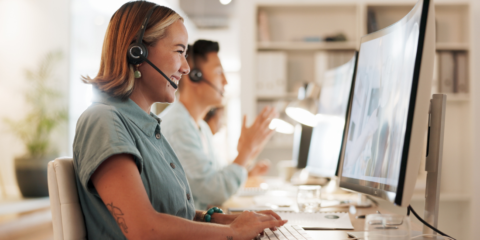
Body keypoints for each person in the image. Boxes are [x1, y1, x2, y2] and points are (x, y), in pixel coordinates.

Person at [72, 2, 286, 239]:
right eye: (178, 52)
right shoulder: (103, 121)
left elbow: (169, 212)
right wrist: (233, 233)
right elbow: (144, 229)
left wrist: (221, 219)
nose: (185, 68)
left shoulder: (147, 126)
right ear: (137, 52)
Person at [160, 40, 275, 210]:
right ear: (194, 76)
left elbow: (215, 177)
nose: (226, 81)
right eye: (219, 72)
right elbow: (215, 191)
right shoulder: (179, 126)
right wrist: (245, 152)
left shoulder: (200, 127)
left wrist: (247, 161)